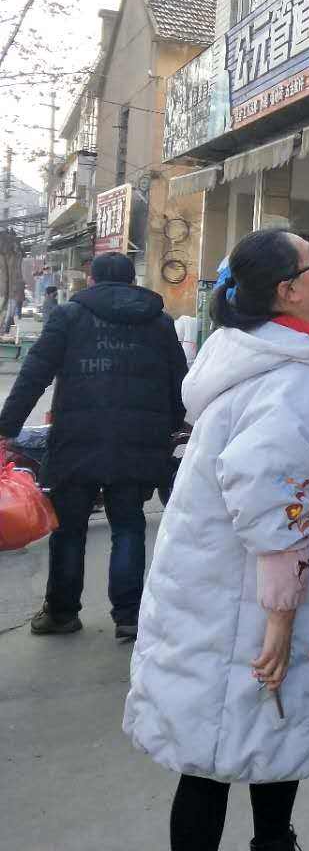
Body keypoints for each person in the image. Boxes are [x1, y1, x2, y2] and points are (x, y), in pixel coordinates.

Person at [123, 229, 309, 851]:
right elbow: (272, 491)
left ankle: (275, 841)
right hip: (246, 600)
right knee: (227, 749)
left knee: (245, 741)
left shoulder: (264, 353)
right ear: (291, 291)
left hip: (218, 590)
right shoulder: (297, 374)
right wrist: (281, 615)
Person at [0, 252, 187, 641]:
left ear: (92, 279)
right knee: (129, 524)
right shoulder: (159, 322)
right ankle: (129, 616)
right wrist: (171, 428)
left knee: (69, 529)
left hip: (76, 439)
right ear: (131, 282)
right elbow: (179, 383)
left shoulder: (70, 316)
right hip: (139, 440)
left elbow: (35, 373)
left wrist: (7, 426)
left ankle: (63, 613)